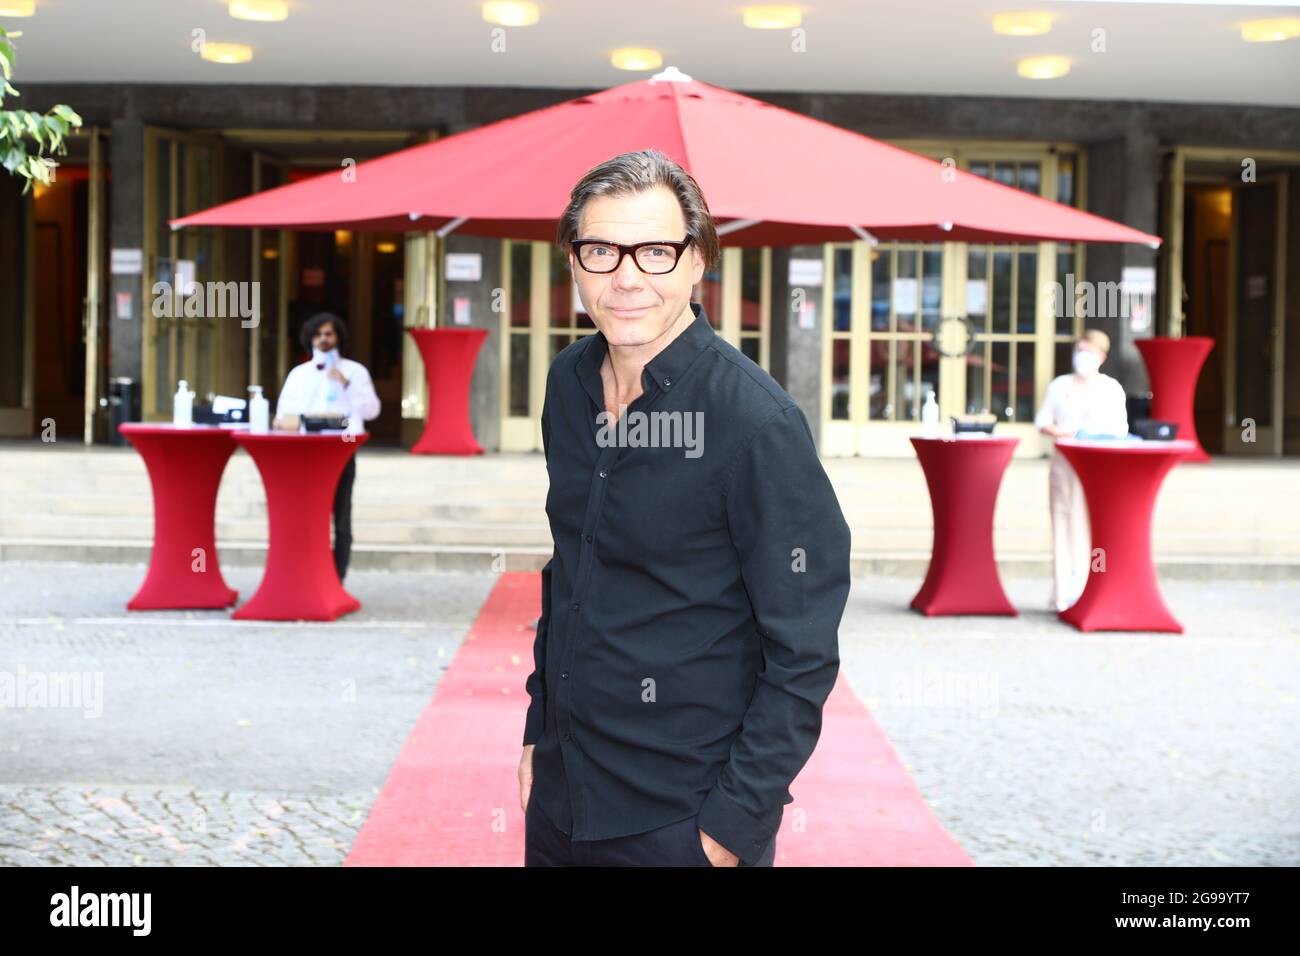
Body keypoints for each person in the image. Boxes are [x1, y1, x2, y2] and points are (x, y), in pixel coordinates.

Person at [518, 149, 852, 867]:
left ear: (697, 261)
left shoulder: (757, 422)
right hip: (559, 797)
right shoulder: (565, 385)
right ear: (573, 263)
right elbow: (566, 575)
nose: (628, 276)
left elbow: (803, 650)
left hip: (679, 819)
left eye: (656, 251)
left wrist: (732, 823)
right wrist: (535, 733)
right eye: (602, 250)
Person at [272, 312, 381, 582]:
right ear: (310, 338)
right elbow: (283, 414)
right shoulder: (299, 375)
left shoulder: (355, 372)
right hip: (307, 453)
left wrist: (346, 383)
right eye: (319, 334)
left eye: (329, 334)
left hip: (341, 452)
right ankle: (308, 575)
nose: (324, 339)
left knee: (341, 518)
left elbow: (371, 411)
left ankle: (337, 578)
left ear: (338, 337)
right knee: (309, 517)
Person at [1034, 329, 1129, 613]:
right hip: (1065, 463)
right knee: (1064, 524)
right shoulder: (1060, 385)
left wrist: (1094, 435)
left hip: (1099, 465)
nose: (1082, 357)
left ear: (1101, 356)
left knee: (1093, 526)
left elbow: (1120, 429)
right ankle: (1064, 593)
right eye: (1079, 351)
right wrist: (1065, 432)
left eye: (1089, 352)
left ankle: (1093, 589)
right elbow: (1042, 420)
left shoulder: (1111, 388)